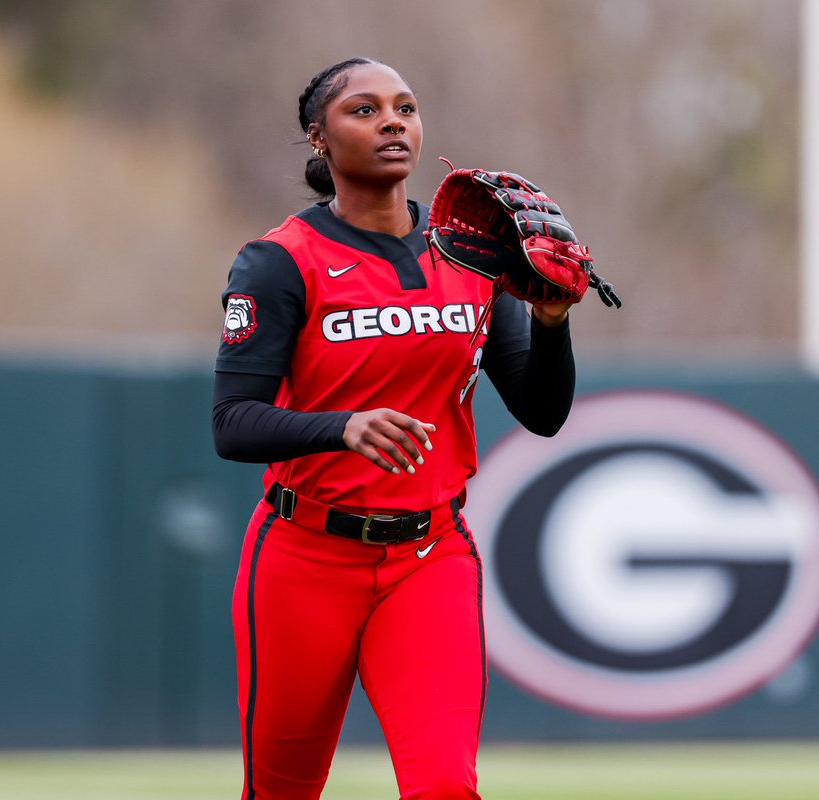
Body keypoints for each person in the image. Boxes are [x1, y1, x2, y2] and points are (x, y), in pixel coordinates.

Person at [212, 57, 577, 800]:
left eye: (405, 107)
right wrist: (340, 427)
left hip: (428, 556)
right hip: (303, 560)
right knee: (281, 791)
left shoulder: (473, 256)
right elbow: (232, 424)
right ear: (319, 138)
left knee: (444, 786)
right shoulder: (279, 261)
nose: (391, 121)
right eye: (364, 109)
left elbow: (541, 413)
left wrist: (552, 322)